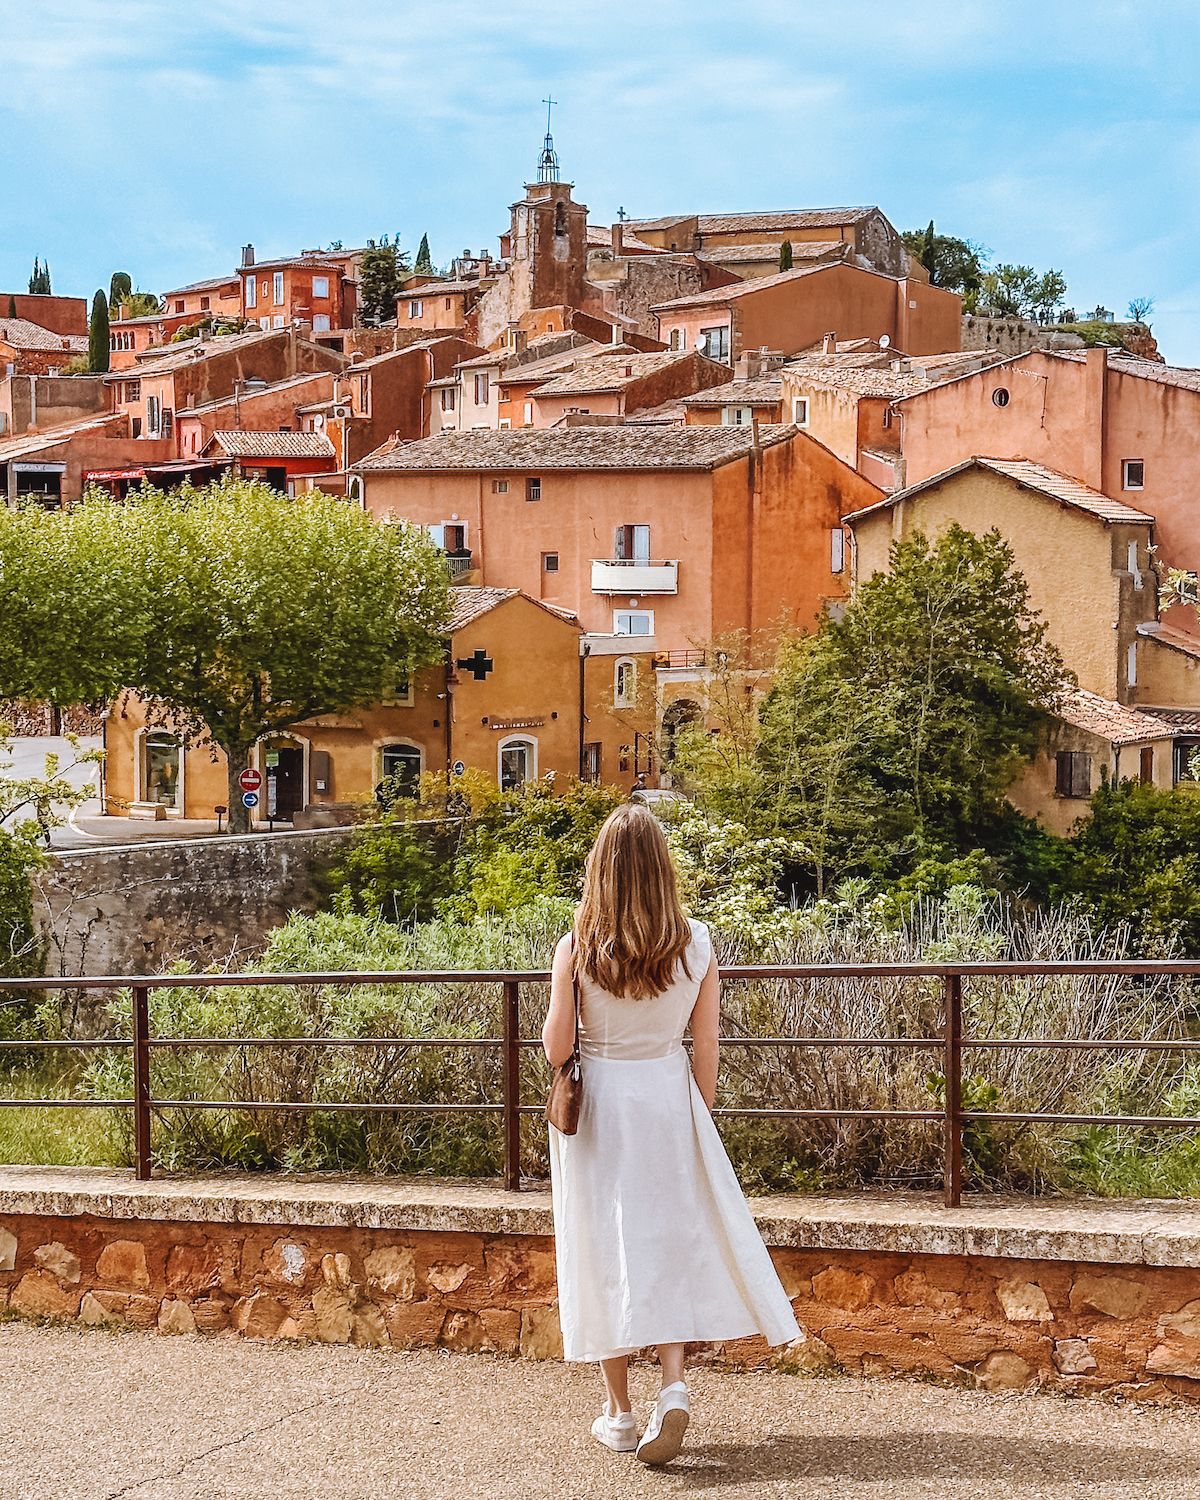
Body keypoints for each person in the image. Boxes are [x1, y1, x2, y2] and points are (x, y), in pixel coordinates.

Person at [542, 803, 799, 1466]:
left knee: (604, 1245)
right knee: (667, 1243)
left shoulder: (578, 944)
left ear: (601, 869)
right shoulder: (698, 942)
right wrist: (698, 1116)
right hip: (667, 1098)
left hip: (601, 1108)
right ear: (662, 870)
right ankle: (675, 1385)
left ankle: (619, 1414)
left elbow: (555, 1048)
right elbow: (706, 1043)